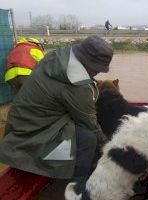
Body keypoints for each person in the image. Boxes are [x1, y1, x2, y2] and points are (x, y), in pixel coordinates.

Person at [0, 35, 113, 180]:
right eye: (97, 69)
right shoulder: (78, 85)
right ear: (86, 62)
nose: (97, 73)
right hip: (33, 134)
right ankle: (79, 184)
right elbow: (89, 123)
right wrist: (107, 148)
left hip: (19, 122)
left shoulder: (57, 56)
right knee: (88, 139)